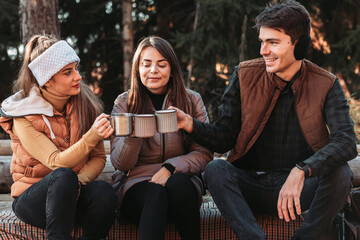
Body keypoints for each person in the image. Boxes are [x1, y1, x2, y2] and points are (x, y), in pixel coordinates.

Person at [171, 1, 358, 239]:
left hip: (300, 189)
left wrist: (302, 170)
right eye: (262, 41)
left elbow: (346, 142)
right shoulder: (243, 74)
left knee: (341, 172)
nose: (263, 50)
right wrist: (190, 124)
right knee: (216, 168)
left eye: (273, 42)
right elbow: (224, 138)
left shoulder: (326, 84)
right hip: (250, 186)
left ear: (299, 46)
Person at [0, 34, 117, 240]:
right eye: (67, 72)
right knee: (63, 175)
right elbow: (55, 162)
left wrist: (78, 184)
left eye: (76, 69)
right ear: (46, 79)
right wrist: (92, 136)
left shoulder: (86, 105)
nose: (78, 77)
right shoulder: (23, 115)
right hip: (33, 201)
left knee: (104, 193)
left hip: (72, 194)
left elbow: (98, 157)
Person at [110, 36, 212, 240]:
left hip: (181, 184)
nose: (153, 70)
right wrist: (133, 136)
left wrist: (170, 167)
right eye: (146, 64)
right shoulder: (124, 103)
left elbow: (204, 152)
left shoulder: (191, 100)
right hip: (137, 186)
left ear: (172, 70)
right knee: (155, 194)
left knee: (179, 184)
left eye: (161, 65)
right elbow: (120, 163)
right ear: (138, 69)